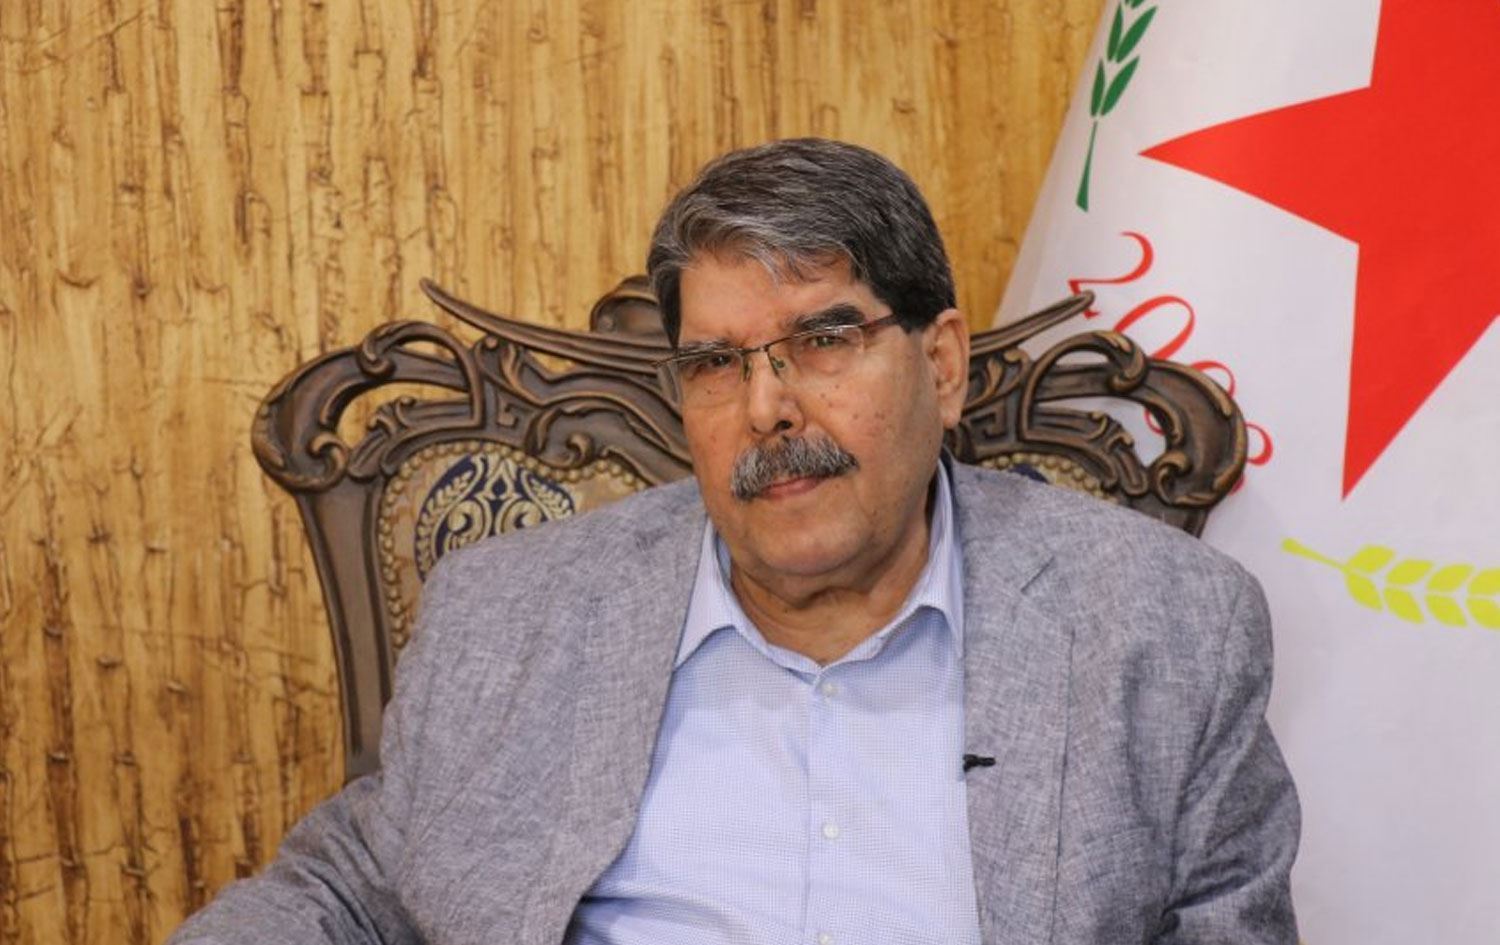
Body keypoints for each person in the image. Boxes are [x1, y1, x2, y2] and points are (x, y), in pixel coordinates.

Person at [169, 138, 1299, 945]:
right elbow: (352, 888)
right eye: (717, 363)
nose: (767, 408)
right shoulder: (510, 613)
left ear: (942, 365)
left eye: (823, 341)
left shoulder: (1163, 627)